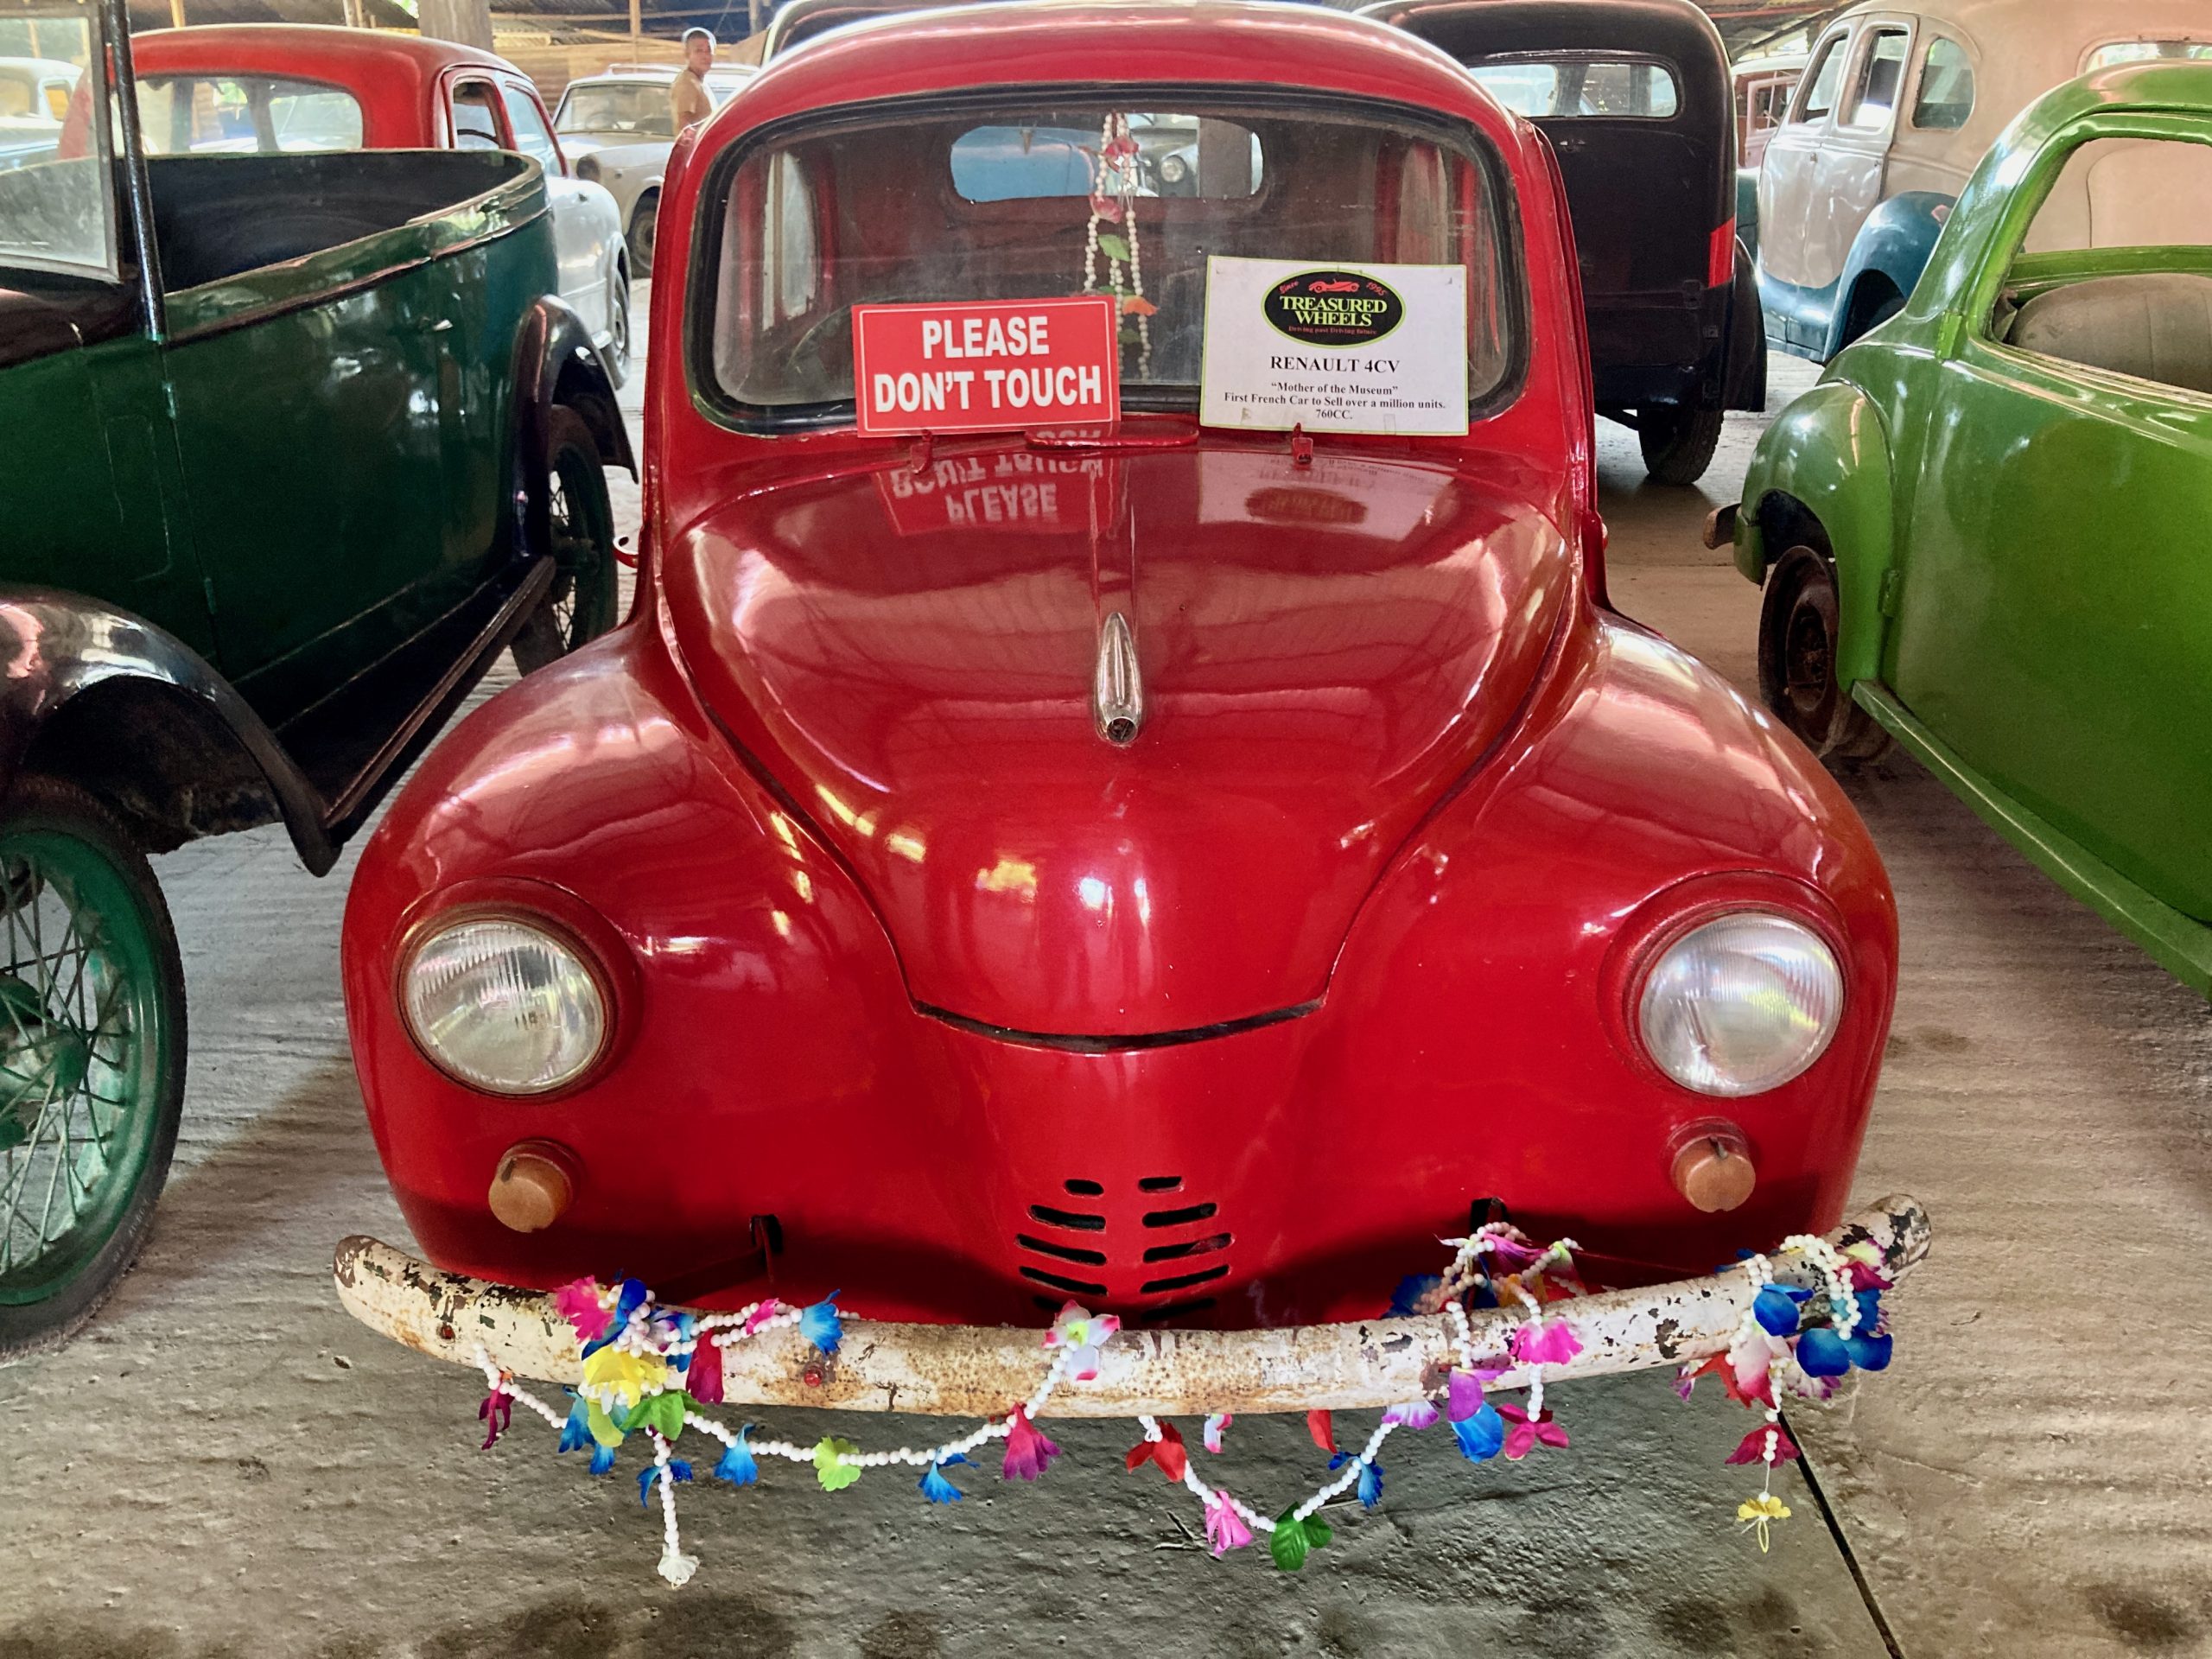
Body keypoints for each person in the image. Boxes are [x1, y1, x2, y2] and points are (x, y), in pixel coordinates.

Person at [671, 29, 715, 131]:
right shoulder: (687, 83)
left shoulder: (699, 81)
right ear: (687, 54)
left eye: (709, 50)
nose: (705, 56)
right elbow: (685, 125)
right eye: (699, 51)